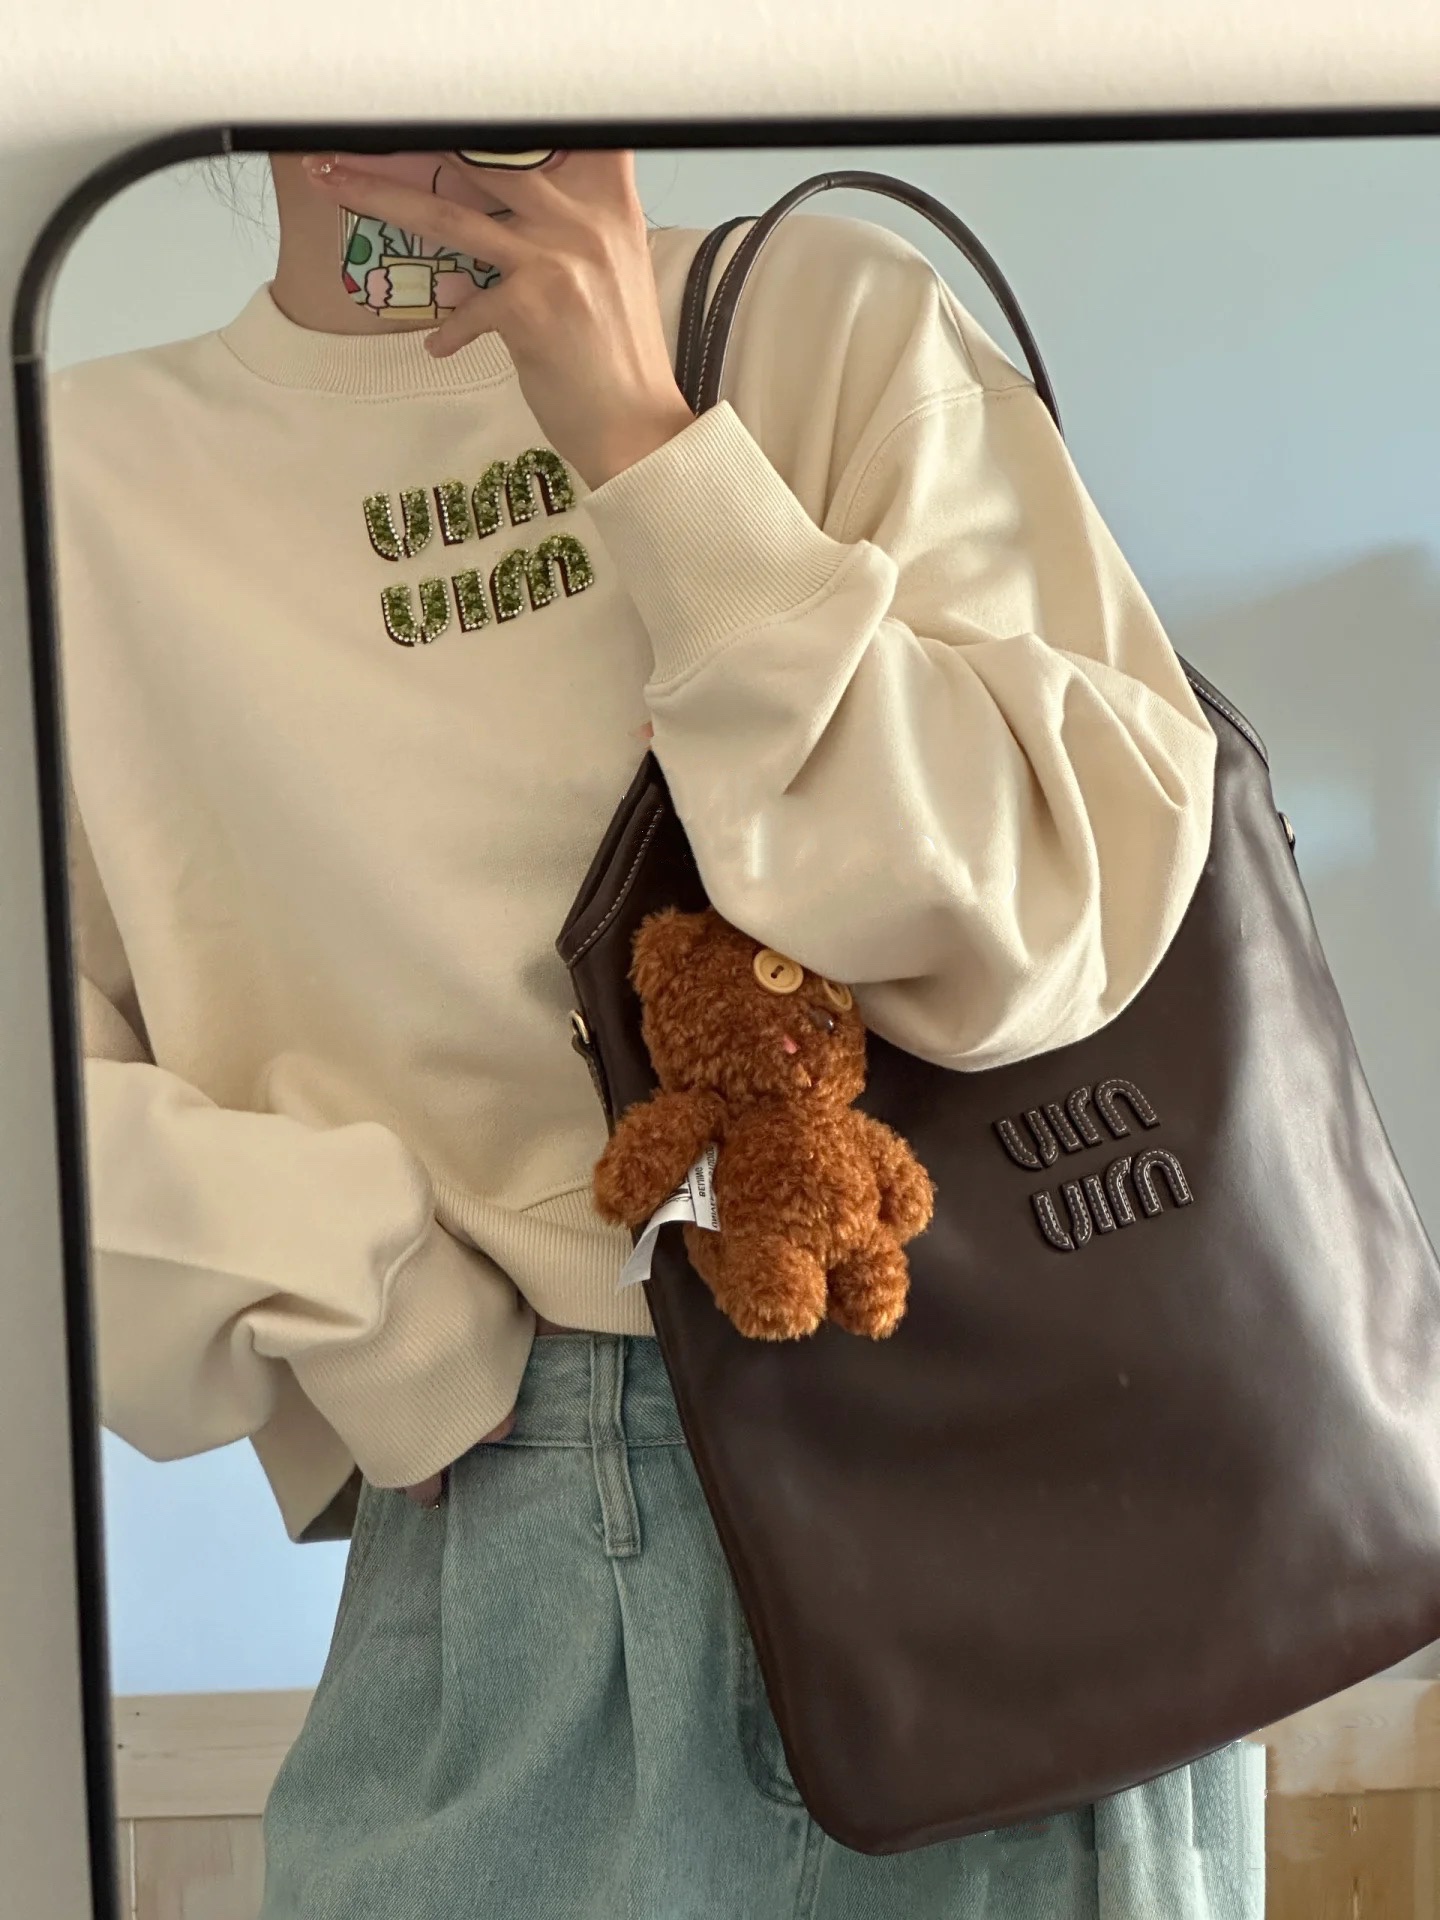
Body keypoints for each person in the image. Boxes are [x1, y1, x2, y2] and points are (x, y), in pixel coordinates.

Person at [47, 146, 1265, 1917]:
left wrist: (654, 453)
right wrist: (362, 1301)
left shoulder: (820, 327)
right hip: (511, 1518)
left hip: (1002, 1460)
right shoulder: (81, 484)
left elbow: (1059, 913)